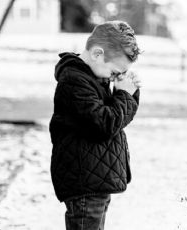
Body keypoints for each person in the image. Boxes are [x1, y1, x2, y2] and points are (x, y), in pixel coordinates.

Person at [49, 20, 141, 230]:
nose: (116, 77)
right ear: (97, 54)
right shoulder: (74, 81)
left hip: (96, 178)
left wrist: (129, 92)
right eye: (115, 71)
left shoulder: (94, 76)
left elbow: (118, 119)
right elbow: (104, 124)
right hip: (84, 182)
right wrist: (124, 94)